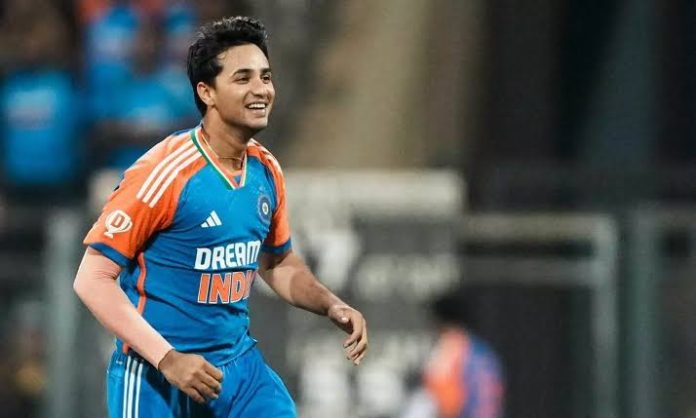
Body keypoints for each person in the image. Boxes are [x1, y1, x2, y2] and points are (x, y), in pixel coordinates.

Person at [73, 16, 368, 418]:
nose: (261, 89)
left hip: (239, 373)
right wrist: (168, 358)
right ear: (206, 92)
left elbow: (276, 263)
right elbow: (92, 278)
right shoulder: (164, 172)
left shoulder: (266, 170)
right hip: (156, 376)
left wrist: (331, 305)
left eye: (266, 77)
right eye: (243, 78)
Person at [400, 288, 504, 418]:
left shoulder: (450, 349)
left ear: (439, 321)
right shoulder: (483, 351)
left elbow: (448, 404)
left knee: (421, 403)